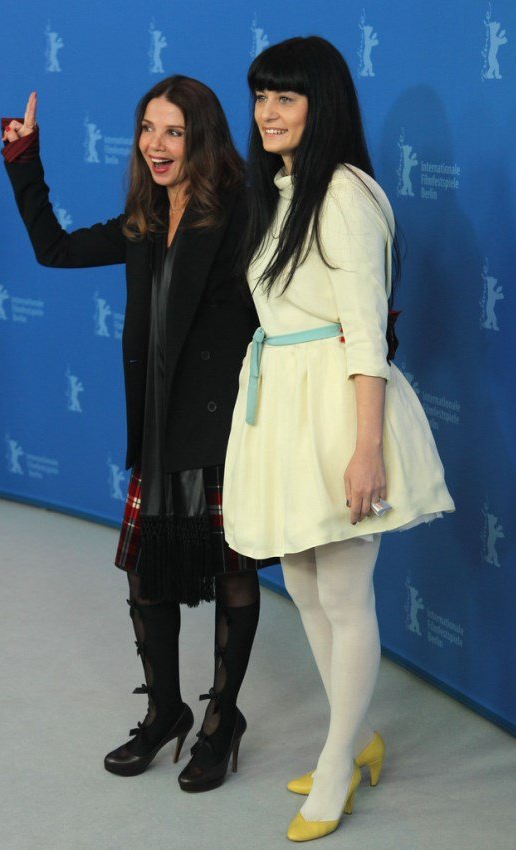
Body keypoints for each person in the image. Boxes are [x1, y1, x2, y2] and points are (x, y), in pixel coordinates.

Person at [2, 77, 269, 793]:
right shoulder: (144, 220)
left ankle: (221, 722)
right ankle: (165, 712)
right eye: (148, 129)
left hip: (219, 428)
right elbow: (54, 249)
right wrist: (24, 159)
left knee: (232, 573)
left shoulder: (242, 212)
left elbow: (285, 296)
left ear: (201, 139)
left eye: (173, 131)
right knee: (145, 572)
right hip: (156, 430)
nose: (156, 144)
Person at [223, 37, 455, 840]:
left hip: (338, 411)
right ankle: (355, 742)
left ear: (321, 104)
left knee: (345, 596)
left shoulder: (346, 195)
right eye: (260, 96)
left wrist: (366, 450)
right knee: (305, 584)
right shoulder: (282, 190)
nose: (266, 113)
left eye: (284, 97)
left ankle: (335, 767)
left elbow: (365, 334)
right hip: (288, 411)